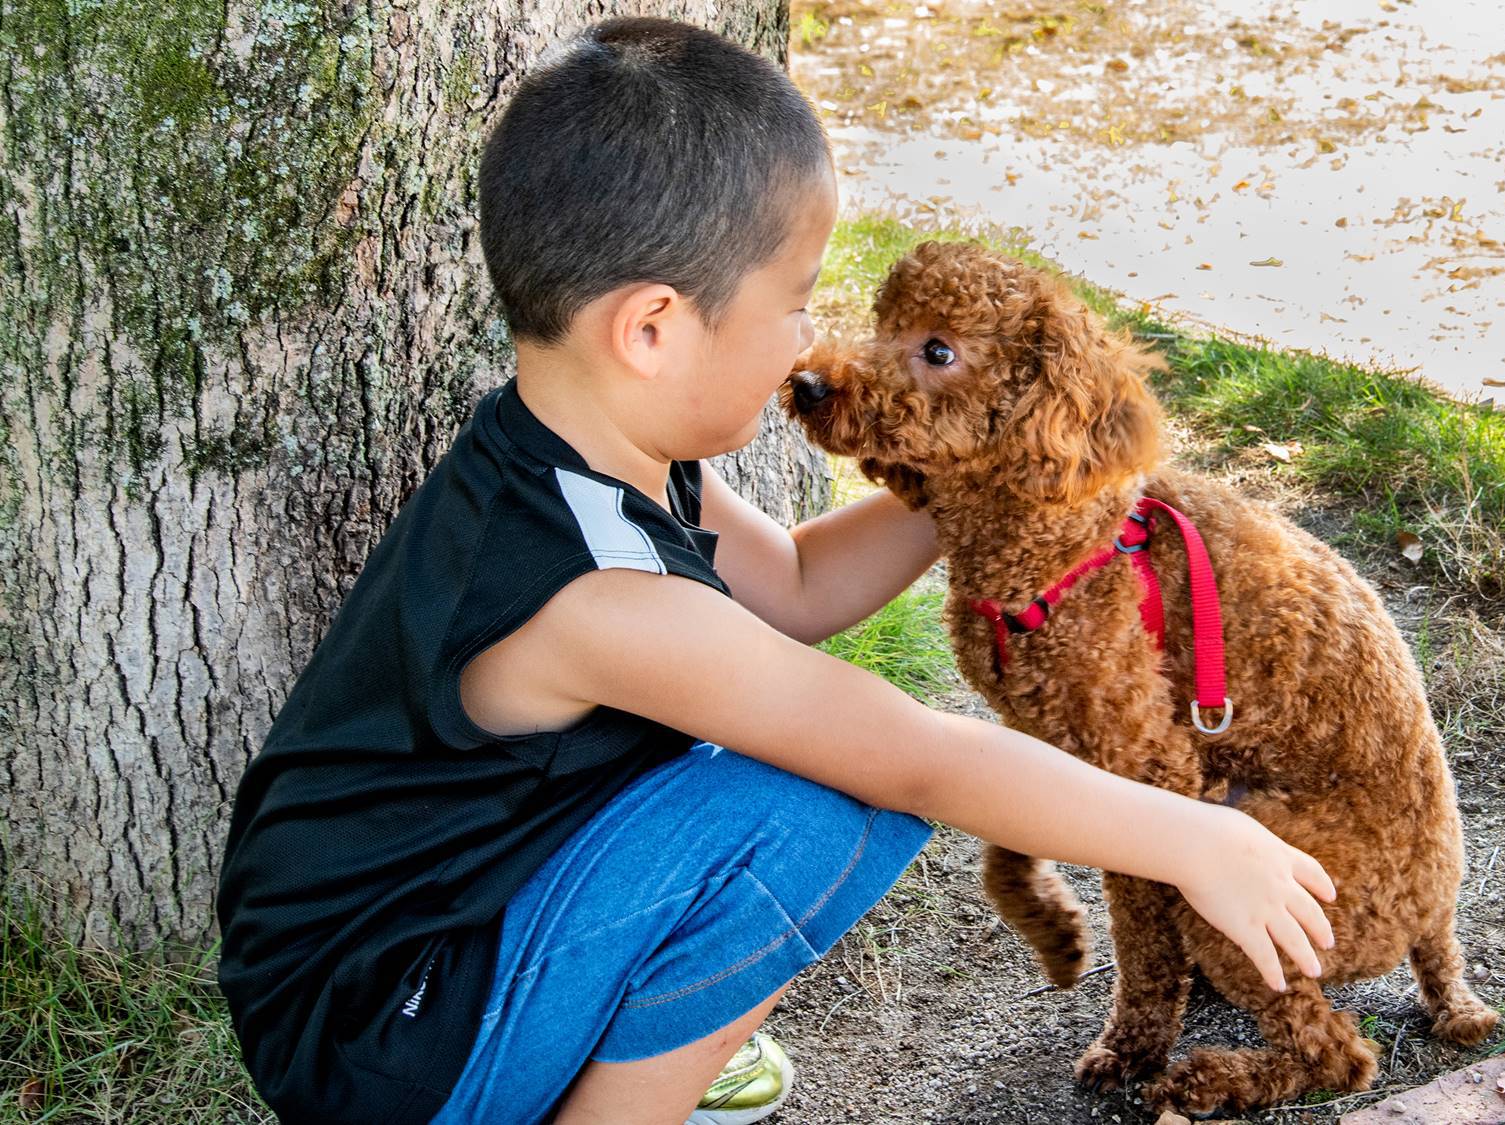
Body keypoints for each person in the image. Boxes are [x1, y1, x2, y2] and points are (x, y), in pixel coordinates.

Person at [214, 17, 1338, 1125]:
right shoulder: (594, 595)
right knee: (812, 805)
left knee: (772, 765)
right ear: (652, 329)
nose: (807, 342)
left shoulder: (583, 453)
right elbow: (914, 760)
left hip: (419, 933)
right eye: (794, 300)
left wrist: (987, 468)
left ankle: (607, 1033)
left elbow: (798, 586)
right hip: (381, 1038)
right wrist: (1195, 834)